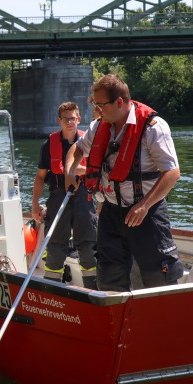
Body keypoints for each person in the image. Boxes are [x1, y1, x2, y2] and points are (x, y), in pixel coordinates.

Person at [64, 74, 184, 292]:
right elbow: (78, 149)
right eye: (95, 105)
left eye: (100, 105)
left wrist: (144, 206)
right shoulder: (99, 126)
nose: (97, 110)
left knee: (158, 278)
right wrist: (70, 171)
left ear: (119, 102)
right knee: (109, 278)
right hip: (111, 213)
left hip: (146, 214)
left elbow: (172, 172)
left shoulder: (153, 127)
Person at [32, 102, 97, 289]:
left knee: (88, 246)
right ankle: (51, 289)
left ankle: (92, 289)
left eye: (73, 118)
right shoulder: (48, 145)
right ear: (59, 121)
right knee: (55, 247)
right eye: (66, 119)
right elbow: (40, 177)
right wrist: (35, 204)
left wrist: (76, 170)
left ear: (79, 119)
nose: (70, 122)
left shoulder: (89, 141)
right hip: (58, 196)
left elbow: (96, 171)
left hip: (84, 197)